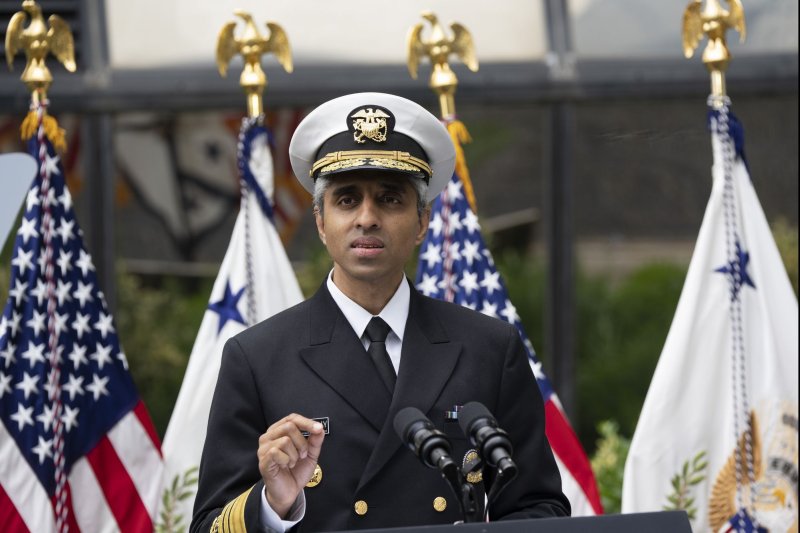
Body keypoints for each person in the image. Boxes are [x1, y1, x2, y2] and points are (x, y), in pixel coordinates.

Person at [190, 92, 570, 533]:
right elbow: (207, 527)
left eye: (390, 199)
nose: (367, 218)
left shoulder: (488, 347)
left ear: (423, 221)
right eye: (347, 200)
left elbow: (538, 509)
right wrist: (273, 505)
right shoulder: (257, 358)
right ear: (320, 221)